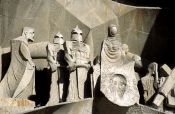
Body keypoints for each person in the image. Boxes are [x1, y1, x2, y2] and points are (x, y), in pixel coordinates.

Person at [0, 27, 35, 99]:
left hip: (17, 68)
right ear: (25, 33)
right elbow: (25, 53)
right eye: (32, 33)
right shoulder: (22, 42)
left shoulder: (19, 41)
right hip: (20, 69)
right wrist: (31, 62)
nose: (33, 35)